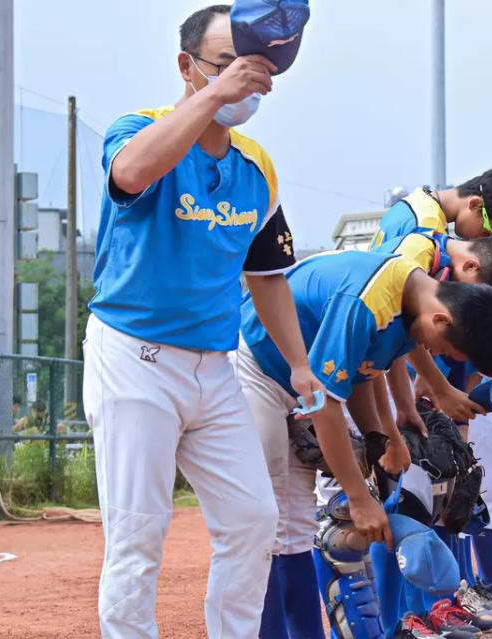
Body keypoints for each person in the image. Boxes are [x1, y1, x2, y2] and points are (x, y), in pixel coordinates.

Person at [81, 5, 319, 638]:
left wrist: (299, 364)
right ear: (186, 67)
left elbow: (266, 276)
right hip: (134, 358)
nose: (248, 79)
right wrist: (216, 92)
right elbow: (131, 173)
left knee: (251, 518)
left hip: (215, 368)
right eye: (229, 62)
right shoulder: (139, 129)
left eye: (259, 68)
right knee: (138, 533)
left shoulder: (256, 167)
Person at [233, 249, 492, 639]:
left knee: (294, 528)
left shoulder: (409, 304)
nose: (435, 354)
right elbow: (326, 402)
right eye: (445, 348)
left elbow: (363, 374)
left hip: (302, 386)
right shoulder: (370, 301)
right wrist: (359, 496)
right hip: (260, 370)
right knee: (263, 522)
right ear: (441, 318)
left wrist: (382, 438)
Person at [368, 169, 492, 250]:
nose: (481, 241)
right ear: (475, 204)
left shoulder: (415, 202)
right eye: (486, 232)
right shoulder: (426, 228)